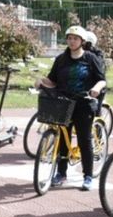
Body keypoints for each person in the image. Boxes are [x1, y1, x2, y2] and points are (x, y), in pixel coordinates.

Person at [36, 25, 107, 191]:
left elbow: (102, 80)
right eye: (69, 38)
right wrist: (41, 81)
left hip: (83, 103)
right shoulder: (61, 59)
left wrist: (96, 88)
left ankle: (88, 175)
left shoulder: (90, 58)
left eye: (75, 38)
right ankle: (61, 173)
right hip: (63, 103)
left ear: (82, 41)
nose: (72, 41)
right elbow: (52, 80)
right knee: (62, 137)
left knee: (84, 139)